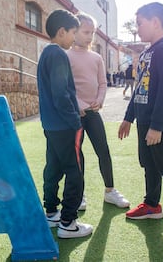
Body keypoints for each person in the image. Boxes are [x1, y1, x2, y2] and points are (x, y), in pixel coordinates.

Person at [118, 2, 163, 246]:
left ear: (155, 22)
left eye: (140, 23)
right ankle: (151, 205)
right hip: (145, 122)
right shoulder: (149, 51)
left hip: (162, 125)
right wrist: (129, 117)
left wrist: (157, 126)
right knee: (149, 165)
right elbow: (140, 88)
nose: (137, 29)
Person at [37, 9, 93, 239]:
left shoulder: (46, 53)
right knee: (75, 170)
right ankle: (68, 223)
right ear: (61, 32)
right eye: (73, 32)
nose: (74, 37)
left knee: (54, 167)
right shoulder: (58, 54)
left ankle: (51, 211)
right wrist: (75, 121)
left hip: (51, 125)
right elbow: (61, 95)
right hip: (65, 125)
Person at [67, 12, 129, 210]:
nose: (89, 36)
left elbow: (103, 83)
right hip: (75, 114)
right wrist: (80, 105)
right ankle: (80, 194)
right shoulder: (65, 56)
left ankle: (110, 191)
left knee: (103, 150)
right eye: (86, 32)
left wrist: (100, 100)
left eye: (92, 33)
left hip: (93, 113)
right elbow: (65, 87)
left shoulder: (96, 58)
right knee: (77, 155)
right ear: (74, 31)